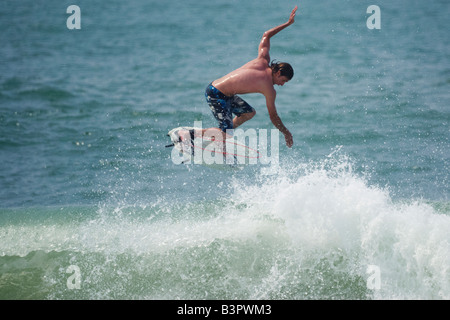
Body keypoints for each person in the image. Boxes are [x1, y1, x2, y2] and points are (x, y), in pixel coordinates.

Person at [203, 6, 298, 148]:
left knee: (248, 113)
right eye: (283, 80)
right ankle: (199, 136)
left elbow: (266, 35)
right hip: (216, 94)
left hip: (223, 93)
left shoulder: (263, 59)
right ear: (278, 73)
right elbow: (273, 117)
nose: (282, 84)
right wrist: (286, 132)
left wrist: (287, 23)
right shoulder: (269, 90)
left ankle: (218, 137)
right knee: (227, 131)